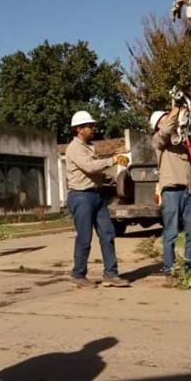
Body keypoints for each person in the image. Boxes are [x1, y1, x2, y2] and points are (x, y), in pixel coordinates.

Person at [65, 111, 130, 288]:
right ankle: (78, 274)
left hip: (97, 195)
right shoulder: (74, 148)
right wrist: (113, 160)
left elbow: (94, 172)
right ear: (79, 129)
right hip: (81, 196)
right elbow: (89, 166)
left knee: (108, 233)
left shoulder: (90, 147)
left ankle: (111, 273)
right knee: (84, 237)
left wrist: (109, 179)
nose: (93, 129)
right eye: (89, 126)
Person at [150, 106, 191, 279]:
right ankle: (169, 270)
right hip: (171, 192)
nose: (170, 120)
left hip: (188, 192)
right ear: (158, 125)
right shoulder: (158, 140)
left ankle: (190, 270)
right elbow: (166, 130)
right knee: (171, 234)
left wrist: (185, 113)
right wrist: (175, 109)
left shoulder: (181, 141)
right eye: (164, 118)